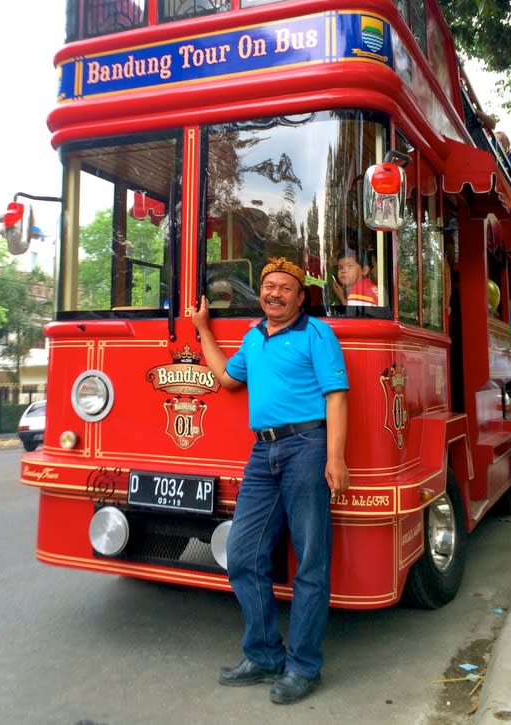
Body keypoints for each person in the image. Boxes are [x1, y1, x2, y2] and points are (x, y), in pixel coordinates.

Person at [191, 256, 349, 705]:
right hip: (263, 451)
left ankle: (303, 666)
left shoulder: (318, 333)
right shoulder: (253, 337)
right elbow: (226, 379)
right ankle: (263, 655)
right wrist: (204, 329)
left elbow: (336, 397)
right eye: (268, 286)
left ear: (301, 297)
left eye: (285, 287)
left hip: (307, 447)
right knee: (243, 552)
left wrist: (334, 457)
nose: (274, 293)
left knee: (310, 562)